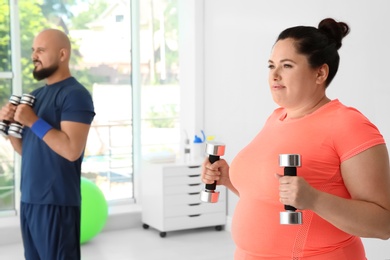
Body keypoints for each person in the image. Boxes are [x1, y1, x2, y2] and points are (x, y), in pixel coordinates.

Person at [201, 18, 390, 259]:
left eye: (287, 66)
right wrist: (228, 179)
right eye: (271, 66)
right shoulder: (276, 118)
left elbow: (384, 224)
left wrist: (315, 199)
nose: (275, 75)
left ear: (320, 72)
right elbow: (272, 198)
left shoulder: (350, 125)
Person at [0, 29, 95, 259]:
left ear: (62, 54)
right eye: (33, 50)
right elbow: (27, 150)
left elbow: (72, 150)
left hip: (57, 201)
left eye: (41, 50)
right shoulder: (36, 95)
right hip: (30, 199)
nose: (34, 56)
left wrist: (32, 121)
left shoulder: (75, 95)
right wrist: (10, 126)